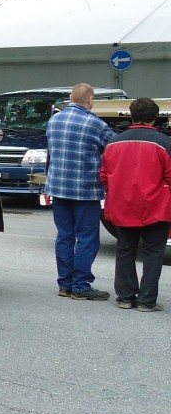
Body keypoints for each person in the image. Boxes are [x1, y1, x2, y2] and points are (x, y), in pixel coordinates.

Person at [100, 97, 171, 312]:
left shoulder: (113, 143)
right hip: (155, 206)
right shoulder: (164, 143)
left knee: (125, 250)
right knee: (153, 252)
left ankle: (125, 297)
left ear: (131, 116)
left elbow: (104, 177)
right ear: (155, 118)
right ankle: (147, 301)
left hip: (123, 204)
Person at [45, 82, 115, 300]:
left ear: (70, 98)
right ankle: (81, 285)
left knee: (65, 237)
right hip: (85, 190)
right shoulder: (95, 124)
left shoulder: (54, 120)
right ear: (90, 100)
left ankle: (64, 285)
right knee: (86, 238)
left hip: (58, 187)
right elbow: (114, 147)